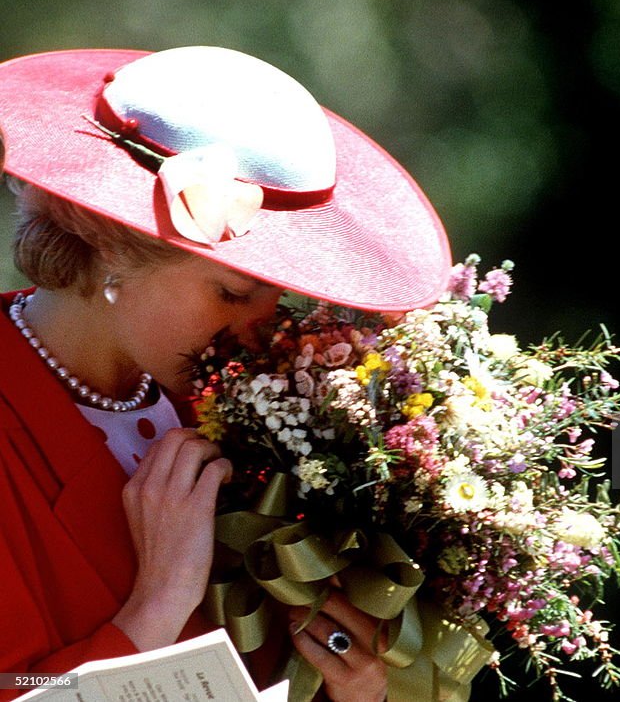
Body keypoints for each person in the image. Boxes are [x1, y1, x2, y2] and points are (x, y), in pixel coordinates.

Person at [0, 46, 453, 701]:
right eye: (235, 294)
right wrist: (153, 610)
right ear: (111, 245)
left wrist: (354, 690)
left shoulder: (259, 420)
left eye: (279, 296)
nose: (265, 330)